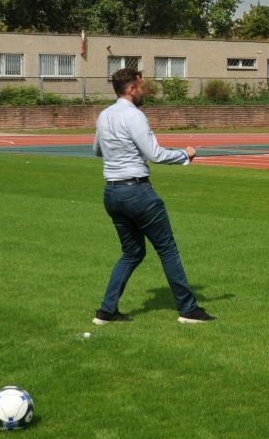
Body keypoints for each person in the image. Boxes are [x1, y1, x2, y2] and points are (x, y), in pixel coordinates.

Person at [91, 68, 215, 324]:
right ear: (131, 89)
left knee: (132, 253)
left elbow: (96, 150)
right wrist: (185, 155)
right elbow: (155, 154)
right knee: (167, 249)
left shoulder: (104, 115)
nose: (144, 90)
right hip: (136, 191)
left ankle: (106, 311)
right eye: (141, 86)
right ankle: (188, 309)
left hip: (112, 192)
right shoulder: (135, 116)